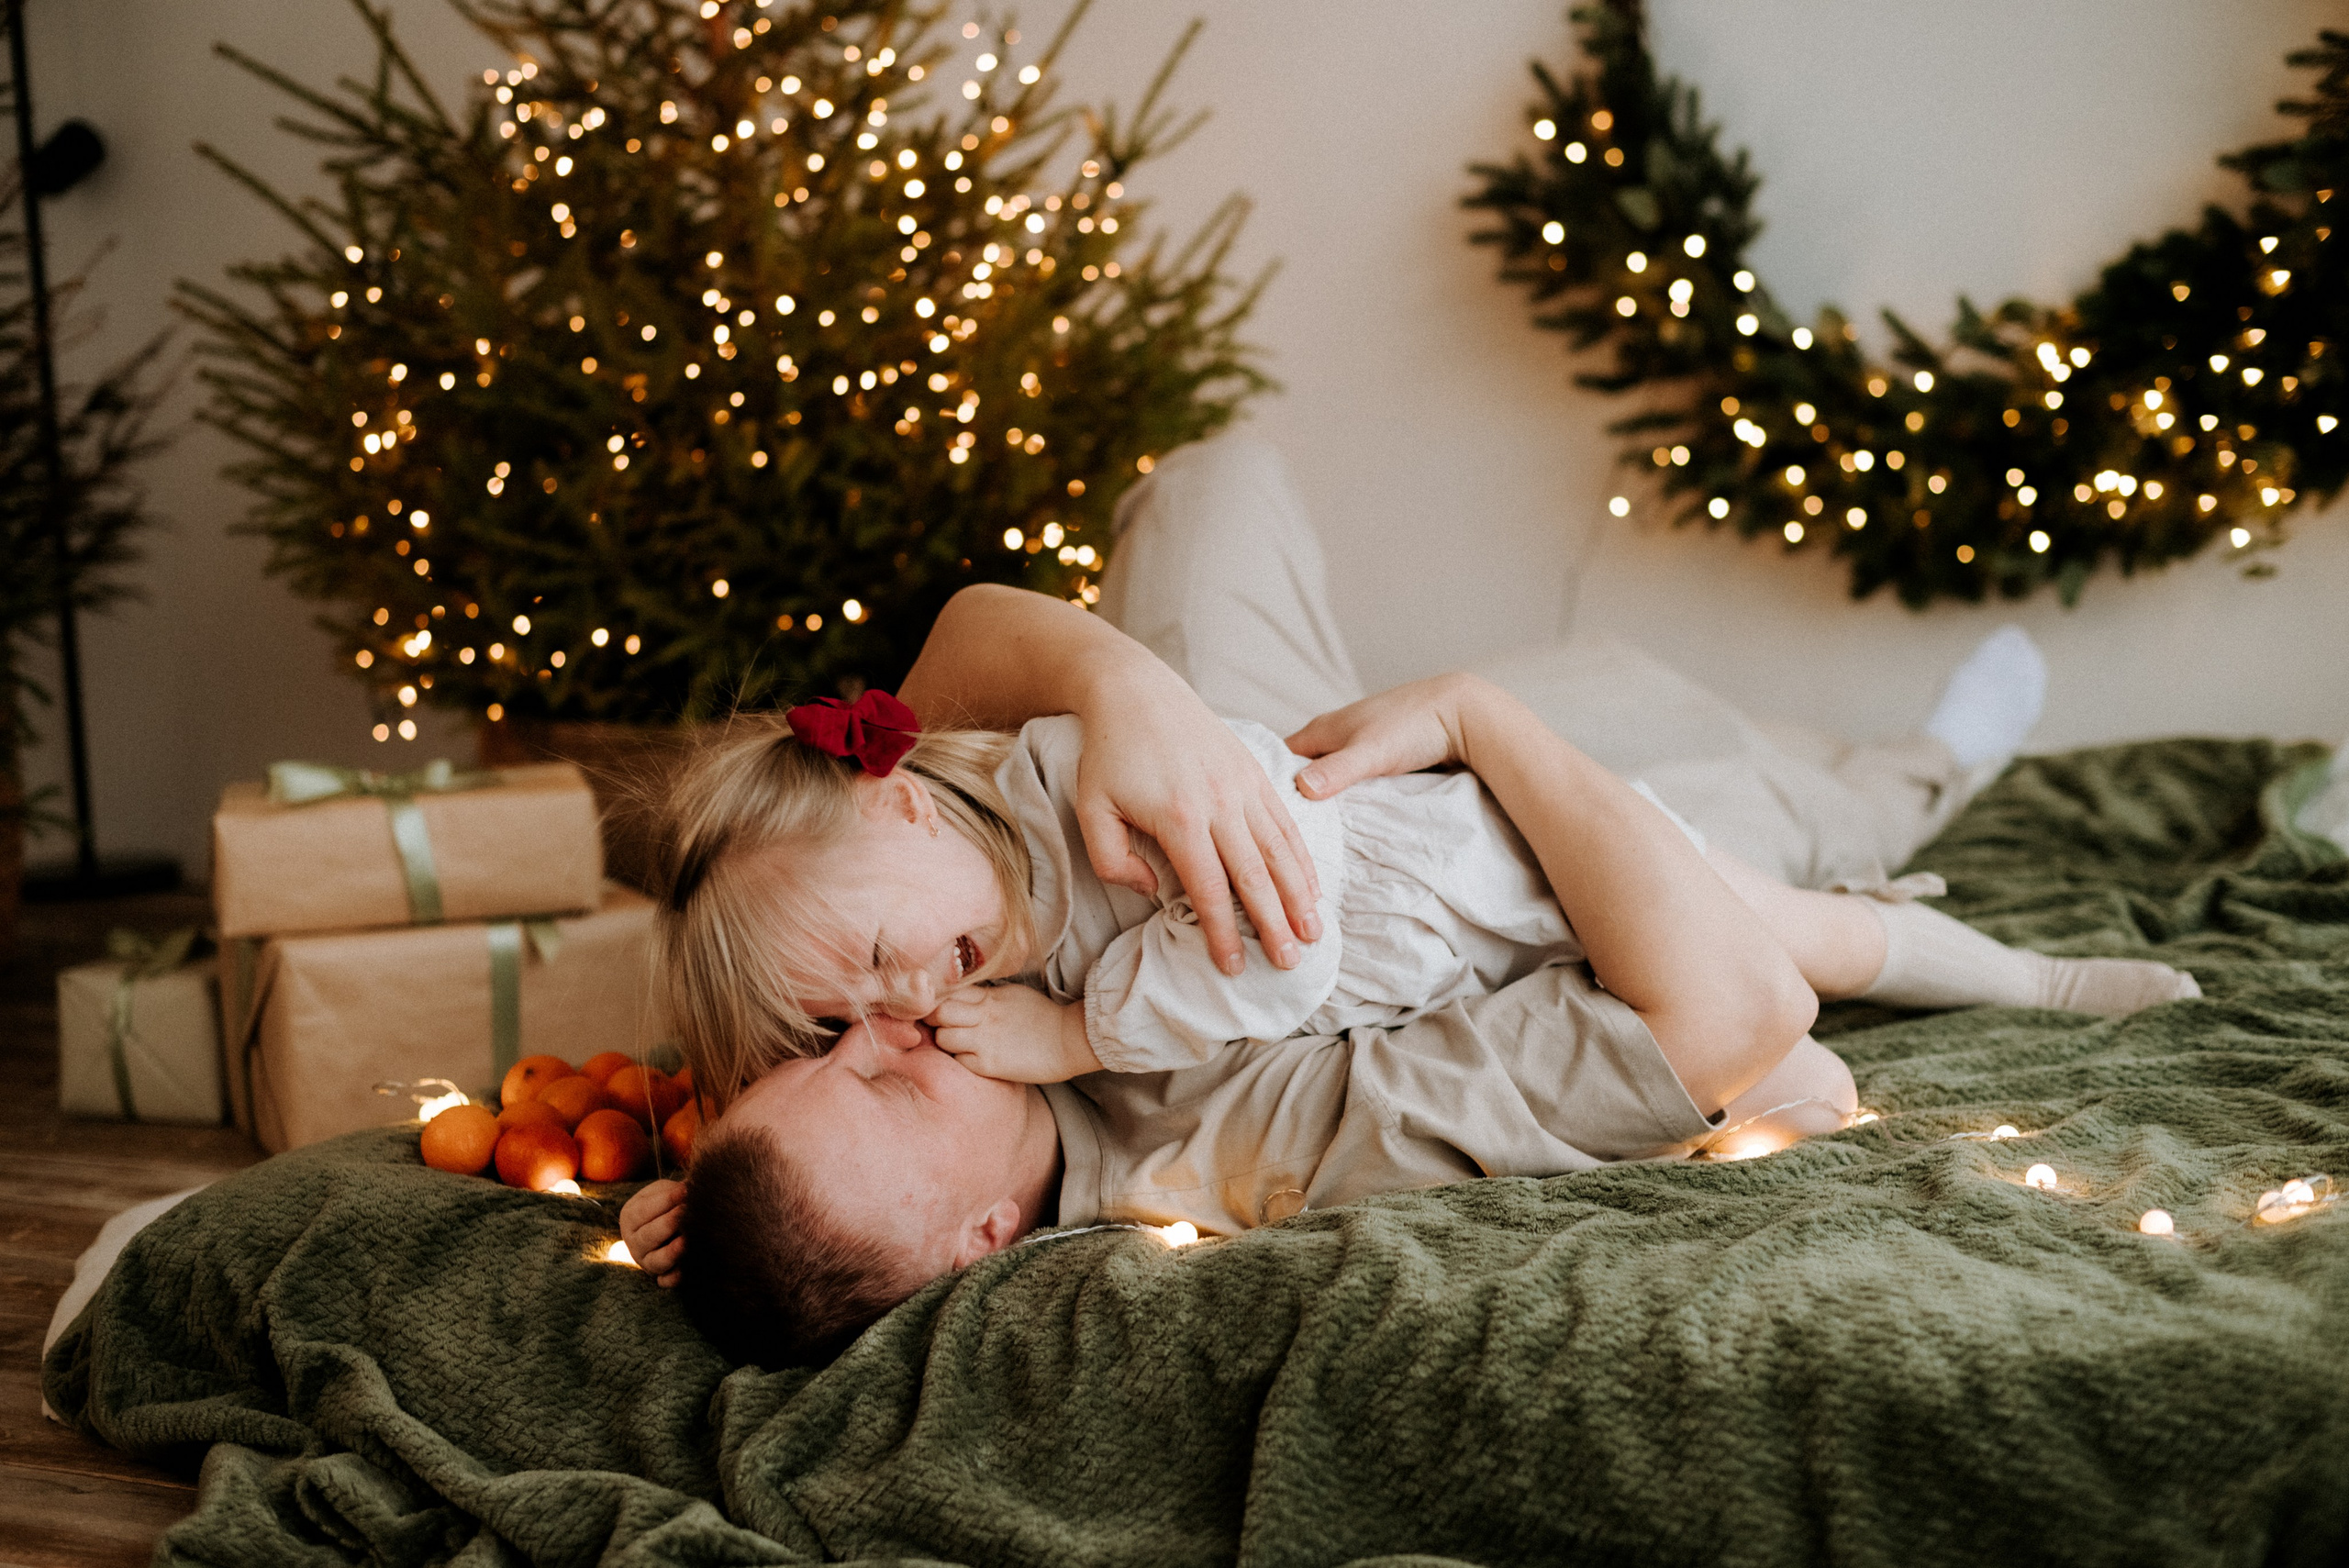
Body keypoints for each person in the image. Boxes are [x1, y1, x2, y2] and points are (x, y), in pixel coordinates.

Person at [619, 434, 2196, 1330]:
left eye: (826, 1040)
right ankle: (1928, 758)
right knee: (1742, 791)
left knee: (1205, 488)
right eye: (872, 1074)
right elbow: (1739, 1012)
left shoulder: (906, 964)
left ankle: (1347, 702)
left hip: (1278, 759)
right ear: (978, 1239)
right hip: (1507, 851)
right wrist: (1473, 722)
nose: (895, 1027)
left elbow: (896, 765)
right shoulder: (1242, 1145)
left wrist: (1123, 692)